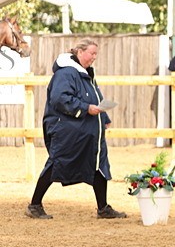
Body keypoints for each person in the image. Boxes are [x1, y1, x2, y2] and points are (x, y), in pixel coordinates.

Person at [26, 39, 126, 219]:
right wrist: (86, 108)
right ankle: (34, 205)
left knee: (98, 164)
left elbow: (96, 98)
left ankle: (103, 208)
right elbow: (60, 99)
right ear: (80, 52)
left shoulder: (85, 73)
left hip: (88, 131)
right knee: (57, 163)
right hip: (67, 131)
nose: (94, 57)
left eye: (96, 54)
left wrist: (104, 117)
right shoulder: (66, 73)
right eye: (92, 53)